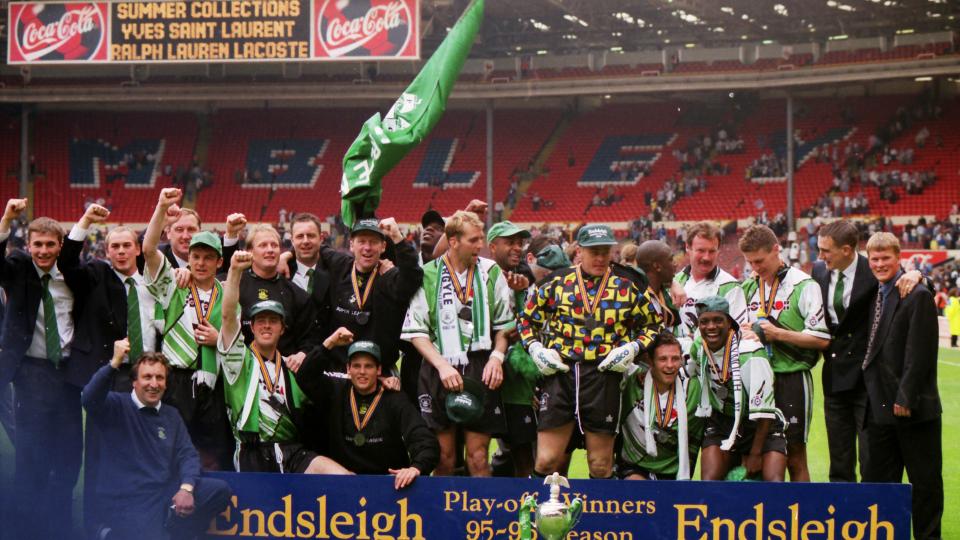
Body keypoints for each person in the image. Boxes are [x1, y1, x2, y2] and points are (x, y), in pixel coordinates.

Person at [519, 224, 661, 480]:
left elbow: (653, 323)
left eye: (605, 251)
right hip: (561, 374)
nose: (599, 258)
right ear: (579, 251)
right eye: (593, 251)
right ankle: (541, 517)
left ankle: (600, 519)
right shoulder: (557, 282)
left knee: (599, 464)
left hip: (603, 375)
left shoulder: (627, 285)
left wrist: (633, 348)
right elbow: (526, 321)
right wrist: (535, 348)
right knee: (547, 459)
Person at [59, 204, 165, 535]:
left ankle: (140, 522)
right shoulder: (96, 276)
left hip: (148, 378)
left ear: (138, 248)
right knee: (103, 456)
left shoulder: (152, 282)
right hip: (110, 375)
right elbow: (66, 263)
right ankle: (99, 526)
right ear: (106, 252)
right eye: (114, 247)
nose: (121, 252)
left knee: (142, 453)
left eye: (126, 245)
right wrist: (86, 222)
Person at [81, 341, 232, 540]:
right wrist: (114, 363)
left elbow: (187, 455)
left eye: (159, 378)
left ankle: (176, 532)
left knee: (219, 491)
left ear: (166, 383)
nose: (154, 384)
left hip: (162, 495)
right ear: (134, 382)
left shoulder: (171, 415)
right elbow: (89, 398)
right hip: (128, 501)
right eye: (147, 377)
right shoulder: (116, 405)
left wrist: (186, 488)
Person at [401, 210, 513, 476]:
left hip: (479, 365)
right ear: (453, 241)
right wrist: (442, 367)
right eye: (473, 240)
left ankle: (481, 518)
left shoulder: (491, 271)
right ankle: (442, 518)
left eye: (481, 239)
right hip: (438, 367)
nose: (480, 246)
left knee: (477, 458)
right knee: (444, 459)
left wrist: (497, 357)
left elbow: (505, 325)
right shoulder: (427, 275)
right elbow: (417, 331)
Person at [218, 249, 350, 474]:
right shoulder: (238, 360)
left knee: (343, 477)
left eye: (273, 321)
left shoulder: (292, 367)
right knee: (264, 508)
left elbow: (335, 386)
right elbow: (228, 316)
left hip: (293, 451)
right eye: (260, 321)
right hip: (253, 452)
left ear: (283, 328)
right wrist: (234, 272)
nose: (266, 325)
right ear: (251, 326)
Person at [812, 220, 920, 483]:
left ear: (847, 250)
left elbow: (908, 282)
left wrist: (919, 276)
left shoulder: (872, 268)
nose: (820, 256)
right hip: (835, 375)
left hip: (867, 378)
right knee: (839, 457)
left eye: (826, 250)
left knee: (871, 458)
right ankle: (841, 516)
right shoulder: (818, 271)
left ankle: (872, 518)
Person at [0, 198, 83, 539]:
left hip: (67, 375)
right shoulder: (19, 268)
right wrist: (6, 219)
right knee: (31, 456)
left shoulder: (75, 276)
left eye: (51, 244)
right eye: (38, 244)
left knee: (68, 456)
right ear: (28, 245)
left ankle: (61, 524)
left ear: (61, 246)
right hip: (31, 372)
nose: (44, 251)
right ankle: (25, 527)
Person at [143, 188, 231, 470]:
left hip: (214, 382)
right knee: (170, 452)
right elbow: (148, 249)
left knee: (212, 454)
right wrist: (161, 207)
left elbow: (236, 342)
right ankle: (169, 509)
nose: (201, 263)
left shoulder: (227, 294)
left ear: (219, 261)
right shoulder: (174, 283)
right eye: (196, 257)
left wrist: (219, 340)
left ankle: (209, 509)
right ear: (188, 258)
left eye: (208, 258)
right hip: (178, 380)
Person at [861, 232, 942, 540]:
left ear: (899, 258)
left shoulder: (916, 293)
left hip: (912, 407)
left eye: (886, 258)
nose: (880, 264)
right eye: (875, 259)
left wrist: (905, 396)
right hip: (878, 405)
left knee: (924, 485)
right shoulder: (875, 291)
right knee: (879, 484)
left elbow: (920, 352)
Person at [739, 224, 830, 482]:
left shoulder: (803, 285)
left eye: (760, 260)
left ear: (776, 250)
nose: (756, 268)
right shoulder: (748, 287)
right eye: (750, 262)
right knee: (754, 453)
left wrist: (776, 334)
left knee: (795, 454)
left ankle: (803, 519)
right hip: (756, 380)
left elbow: (821, 339)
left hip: (792, 379)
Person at [288, 339, 439, 489]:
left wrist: (415, 468)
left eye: (368, 366)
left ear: (378, 370)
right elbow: (305, 376)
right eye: (356, 366)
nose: (362, 372)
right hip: (344, 484)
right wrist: (328, 344)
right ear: (348, 369)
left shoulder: (395, 399)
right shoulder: (335, 391)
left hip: (389, 486)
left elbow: (425, 441)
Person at [691, 296, 786, 482]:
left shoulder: (751, 352)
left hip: (759, 425)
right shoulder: (698, 347)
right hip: (722, 422)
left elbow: (765, 413)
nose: (711, 326)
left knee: (774, 483)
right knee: (709, 482)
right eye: (704, 322)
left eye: (718, 320)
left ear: (730, 324)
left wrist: (755, 454)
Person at [317, 217, 422, 370]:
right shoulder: (340, 265)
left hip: (380, 372)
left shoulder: (389, 275)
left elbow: (413, 276)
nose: (367, 247)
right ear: (351, 245)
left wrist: (398, 238)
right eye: (362, 241)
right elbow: (312, 247)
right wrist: (287, 256)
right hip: (340, 369)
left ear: (383, 246)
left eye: (373, 242)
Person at [486, 221, 537, 477]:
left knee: (523, 452)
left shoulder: (527, 284)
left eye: (520, 243)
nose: (517, 248)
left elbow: (529, 329)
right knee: (474, 449)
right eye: (510, 242)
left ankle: (528, 511)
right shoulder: (479, 279)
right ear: (492, 246)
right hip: (483, 375)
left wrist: (521, 295)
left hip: (517, 384)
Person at [618, 332, 704, 480]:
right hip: (635, 467)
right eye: (663, 359)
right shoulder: (632, 382)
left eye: (675, 359)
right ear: (651, 361)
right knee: (638, 489)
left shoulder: (694, 387)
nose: (670, 365)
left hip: (677, 474)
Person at [673, 222, 747, 339]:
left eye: (712, 251)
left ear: (718, 251)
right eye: (701, 250)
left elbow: (738, 332)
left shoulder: (730, 286)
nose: (706, 257)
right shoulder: (675, 282)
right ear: (688, 247)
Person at [285, 213, 333, 334]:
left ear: (321, 238)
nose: (305, 241)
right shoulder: (281, 273)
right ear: (292, 240)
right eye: (300, 236)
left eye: (311, 236)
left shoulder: (336, 270)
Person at [635, 240, 681, 335]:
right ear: (657, 266)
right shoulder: (635, 298)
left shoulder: (663, 292)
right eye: (671, 259)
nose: (675, 264)